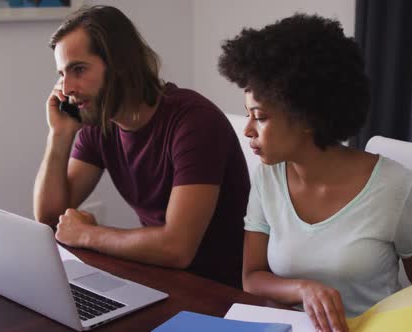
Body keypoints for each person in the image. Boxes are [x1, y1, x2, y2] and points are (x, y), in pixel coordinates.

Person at [218, 13, 412, 332]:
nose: (248, 130)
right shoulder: (268, 177)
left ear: (308, 116)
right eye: (248, 116)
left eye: (261, 117)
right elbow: (252, 278)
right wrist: (303, 288)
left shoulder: (393, 185)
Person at [33, 5, 250, 288]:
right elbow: (50, 219)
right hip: (159, 278)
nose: (67, 87)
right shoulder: (100, 124)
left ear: (120, 64)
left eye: (79, 69)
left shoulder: (195, 121)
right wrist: (59, 135)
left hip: (219, 291)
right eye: (62, 73)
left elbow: (177, 248)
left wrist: (88, 234)